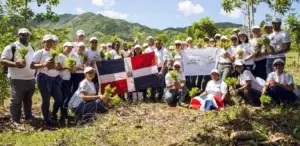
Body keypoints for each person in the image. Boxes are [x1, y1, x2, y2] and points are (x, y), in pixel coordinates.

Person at [0, 28, 36, 125]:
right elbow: (2, 60)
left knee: (28, 100)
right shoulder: (12, 46)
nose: (25, 36)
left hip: (30, 78)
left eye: (27, 35)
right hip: (17, 78)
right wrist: (16, 64)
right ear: (19, 35)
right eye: (23, 34)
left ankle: (28, 117)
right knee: (16, 100)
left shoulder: (31, 47)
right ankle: (15, 120)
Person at [30, 35, 63, 127]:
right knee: (46, 100)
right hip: (43, 78)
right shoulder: (39, 53)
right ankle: (46, 120)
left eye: (51, 42)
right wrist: (44, 64)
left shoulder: (55, 53)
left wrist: (57, 67)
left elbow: (59, 66)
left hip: (55, 78)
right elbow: (32, 66)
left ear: (54, 43)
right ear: (43, 43)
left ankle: (53, 115)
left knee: (59, 99)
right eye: (47, 42)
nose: (49, 44)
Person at [55, 42, 74, 125]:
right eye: (68, 47)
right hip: (62, 79)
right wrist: (67, 67)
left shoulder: (69, 56)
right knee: (68, 96)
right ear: (63, 47)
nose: (69, 49)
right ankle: (62, 115)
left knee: (64, 98)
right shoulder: (59, 56)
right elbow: (58, 68)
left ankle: (64, 115)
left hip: (68, 78)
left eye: (71, 48)